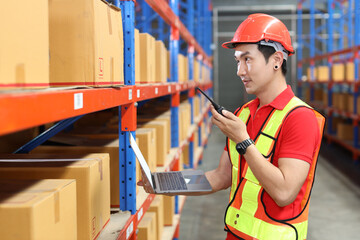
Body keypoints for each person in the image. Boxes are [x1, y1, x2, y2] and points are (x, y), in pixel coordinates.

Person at [139, 13, 325, 240]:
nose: (240, 71)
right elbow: (220, 177)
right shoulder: (242, 114)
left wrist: (243, 141)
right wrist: (162, 183)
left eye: (248, 59)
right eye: (238, 61)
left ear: (277, 60)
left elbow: (284, 193)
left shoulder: (300, 118)